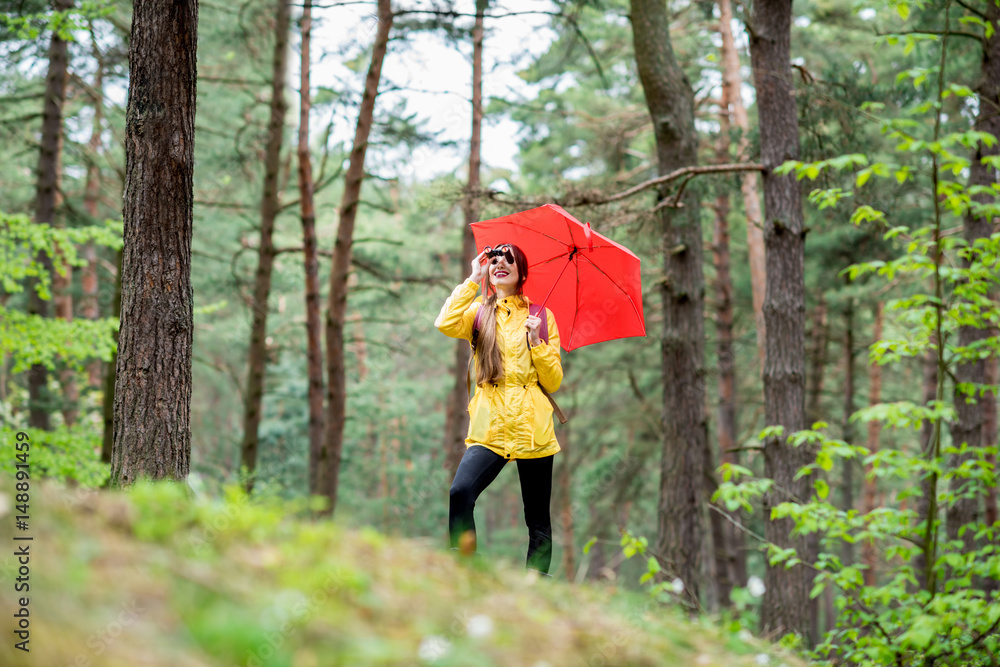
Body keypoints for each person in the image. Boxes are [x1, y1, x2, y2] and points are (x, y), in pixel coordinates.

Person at [434, 242, 563, 576]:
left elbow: (553, 381)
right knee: (461, 492)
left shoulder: (541, 317)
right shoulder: (478, 312)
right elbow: (444, 322)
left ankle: (536, 587)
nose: (500, 263)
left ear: (522, 271)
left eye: (509, 258)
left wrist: (537, 344)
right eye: (494, 259)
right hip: (490, 425)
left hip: (532, 427)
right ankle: (465, 569)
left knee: (537, 520)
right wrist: (472, 280)